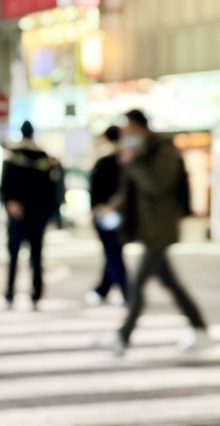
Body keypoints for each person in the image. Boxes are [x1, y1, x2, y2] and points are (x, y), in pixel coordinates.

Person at [101, 110, 209, 355]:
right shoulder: (140, 153)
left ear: (141, 127)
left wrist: (133, 162)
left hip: (160, 228)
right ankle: (199, 327)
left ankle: (123, 335)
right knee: (171, 283)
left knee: (137, 285)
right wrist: (114, 205)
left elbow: (156, 185)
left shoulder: (162, 151)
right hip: (148, 228)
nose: (126, 134)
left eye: (129, 128)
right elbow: (132, 190)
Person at [1, 121, 55, 310]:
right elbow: (50, 188)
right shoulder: (43, 156)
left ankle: (9, 294)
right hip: (37, 214)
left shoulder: (12, 155)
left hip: (18, 215)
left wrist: (10, 202)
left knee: (13, 256)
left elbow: (5, 184)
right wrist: (48, 214)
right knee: (36, 257)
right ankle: (36, 294)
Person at [86, 126, 128, 306]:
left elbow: (94, 191)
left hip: (104, 213)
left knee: (112, 252)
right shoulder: (126, 161)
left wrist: (95, 211)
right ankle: (102, 289)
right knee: (112, 251)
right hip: (120, 213)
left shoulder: (103, 161)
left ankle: (127, 291)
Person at [49, 157, 66, 229]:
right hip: (54, 196)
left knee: (57, 211)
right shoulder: (53, 169)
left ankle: (59, 225)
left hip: (57, 196)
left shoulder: (58, 170)